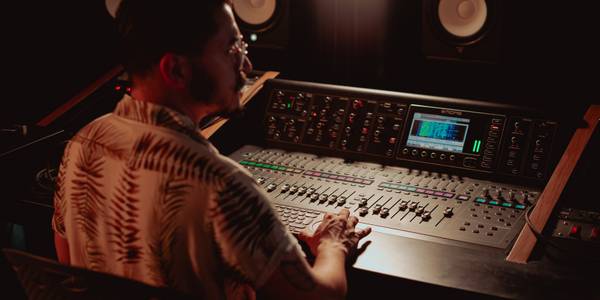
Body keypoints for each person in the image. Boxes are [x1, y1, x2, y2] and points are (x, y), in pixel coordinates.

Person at [51, 0, 371, 299]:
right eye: (231, 48)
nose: (246, 62)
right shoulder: (220, 185)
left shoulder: (83, 143)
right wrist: (332, 245)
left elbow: (67, 262)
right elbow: (319, 295)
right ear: (175, 70)